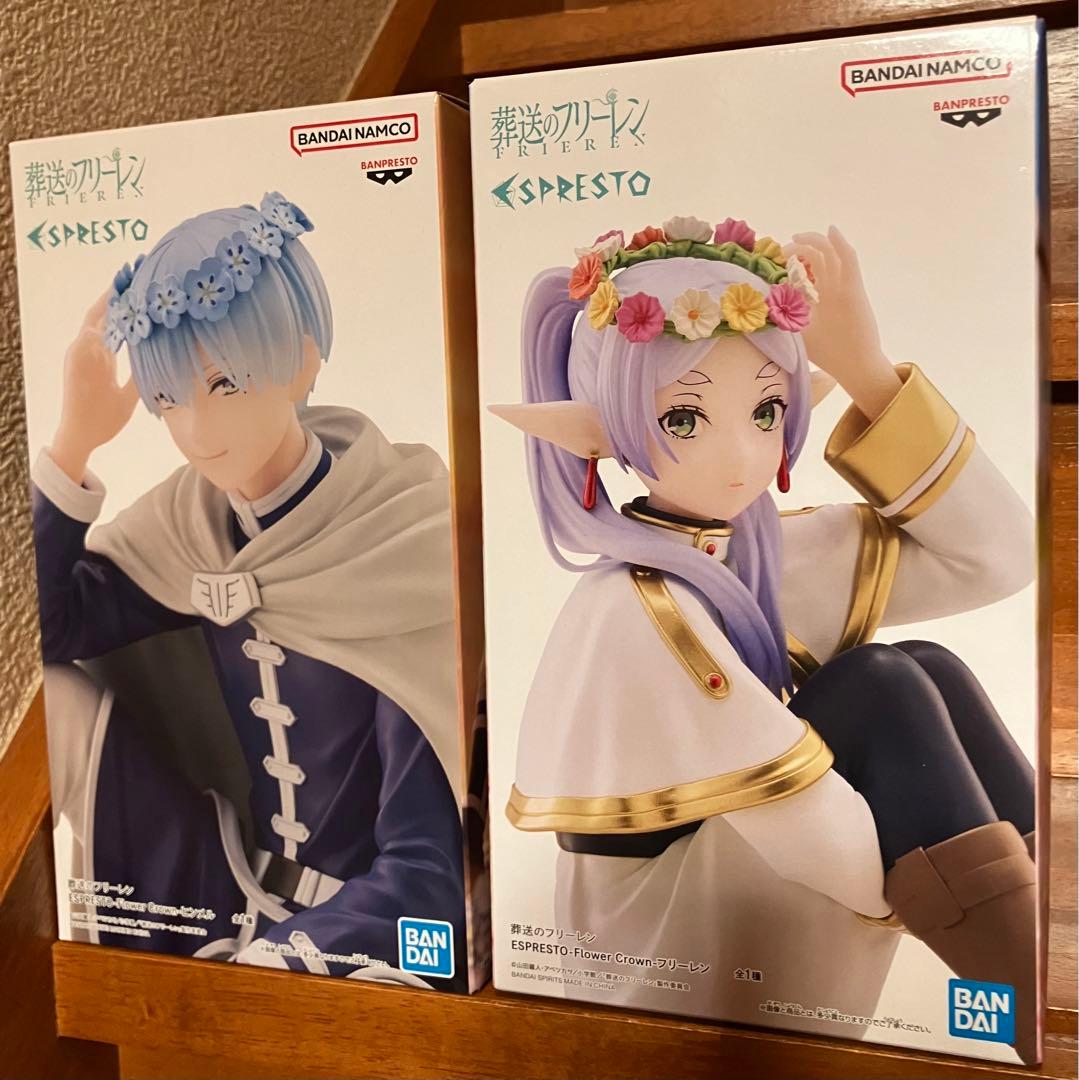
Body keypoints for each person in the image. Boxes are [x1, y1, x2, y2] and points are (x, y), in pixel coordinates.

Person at [492, 217, 1038, 1057]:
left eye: (765, 410)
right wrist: (909, 863)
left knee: (927, 666)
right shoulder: (628, 607)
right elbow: (815, 835)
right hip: (668, 948)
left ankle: (1048, 963)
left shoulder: (774, 550)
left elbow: (997, 559)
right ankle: (1028, 1000)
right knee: (881, 686)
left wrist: (865, 372)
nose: (740, 456)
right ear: (599, 428)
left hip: (781, 877)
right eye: (682, 419)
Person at [34, 193, 466, 988]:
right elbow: (45, 632)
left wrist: (280, 960)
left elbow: (427, 868)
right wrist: (73, 442)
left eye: (225, 384)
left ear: (302, 360)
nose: (197, 429)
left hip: (367, 928)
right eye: (170, 399)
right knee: (52, 699)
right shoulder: (188, 526)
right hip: (223, 885)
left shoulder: (403, 542)